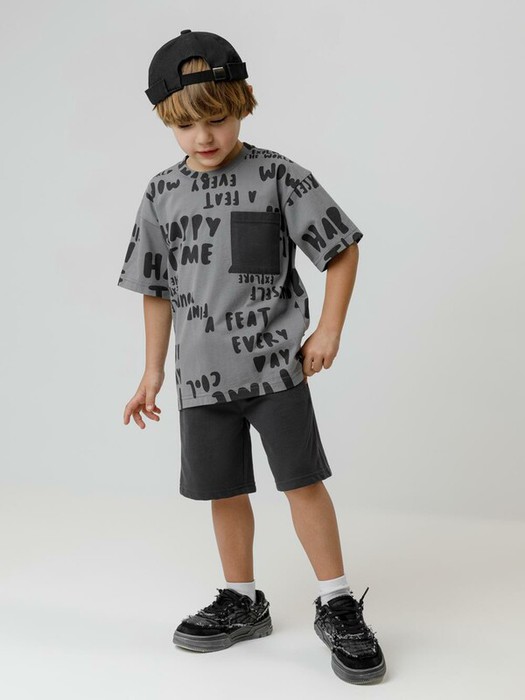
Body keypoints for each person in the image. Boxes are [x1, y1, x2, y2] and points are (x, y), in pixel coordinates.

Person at [117, 29, 386, 685]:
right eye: (186, 125)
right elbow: (155, 289)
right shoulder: (160, 193)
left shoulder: (277, 176)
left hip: (275, 371)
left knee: (302, 482)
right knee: (224, 491)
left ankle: (337, 602)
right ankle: (241, 599)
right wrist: (151, 372)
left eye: (216, 118)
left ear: (241, 104)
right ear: (166, 121)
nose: (203, 136)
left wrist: (328, 330)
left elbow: (341, 248)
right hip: (200, 381)